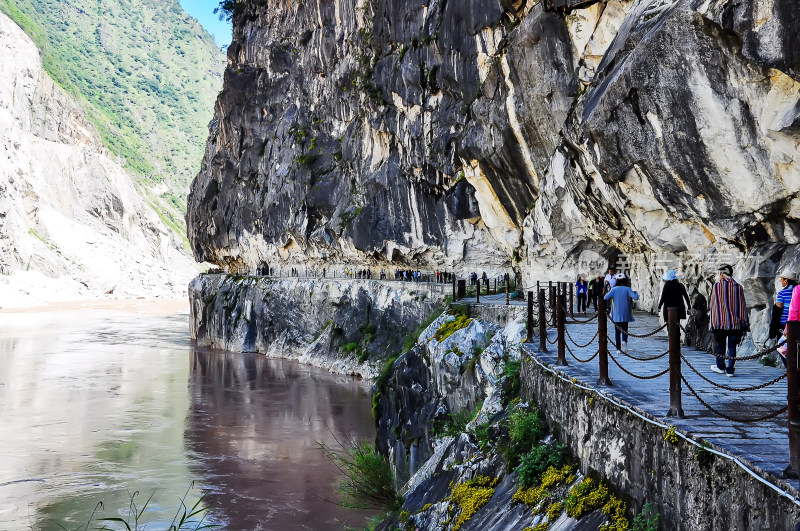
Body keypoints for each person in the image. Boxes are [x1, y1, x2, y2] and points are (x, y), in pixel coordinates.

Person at [709, 264, 749, 377]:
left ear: (722, 274)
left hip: (720, 323)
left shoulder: (716, 286)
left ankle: (720, 366)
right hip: (736, 323)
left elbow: (714, 306)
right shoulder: (739, 287)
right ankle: (730, 369)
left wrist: (713, 322)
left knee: (720, 345)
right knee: (732, 346)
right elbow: (742, 306)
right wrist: (744, 322)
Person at [604, 273, 639, 354]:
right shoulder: (627, 289)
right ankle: (624, 342)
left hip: (616, 314)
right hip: (625, 314)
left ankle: (618, 349)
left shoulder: (614, 289)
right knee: (624, 330)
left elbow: (606, 297)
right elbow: (635, 297)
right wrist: (635, 292)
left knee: (617, 331)